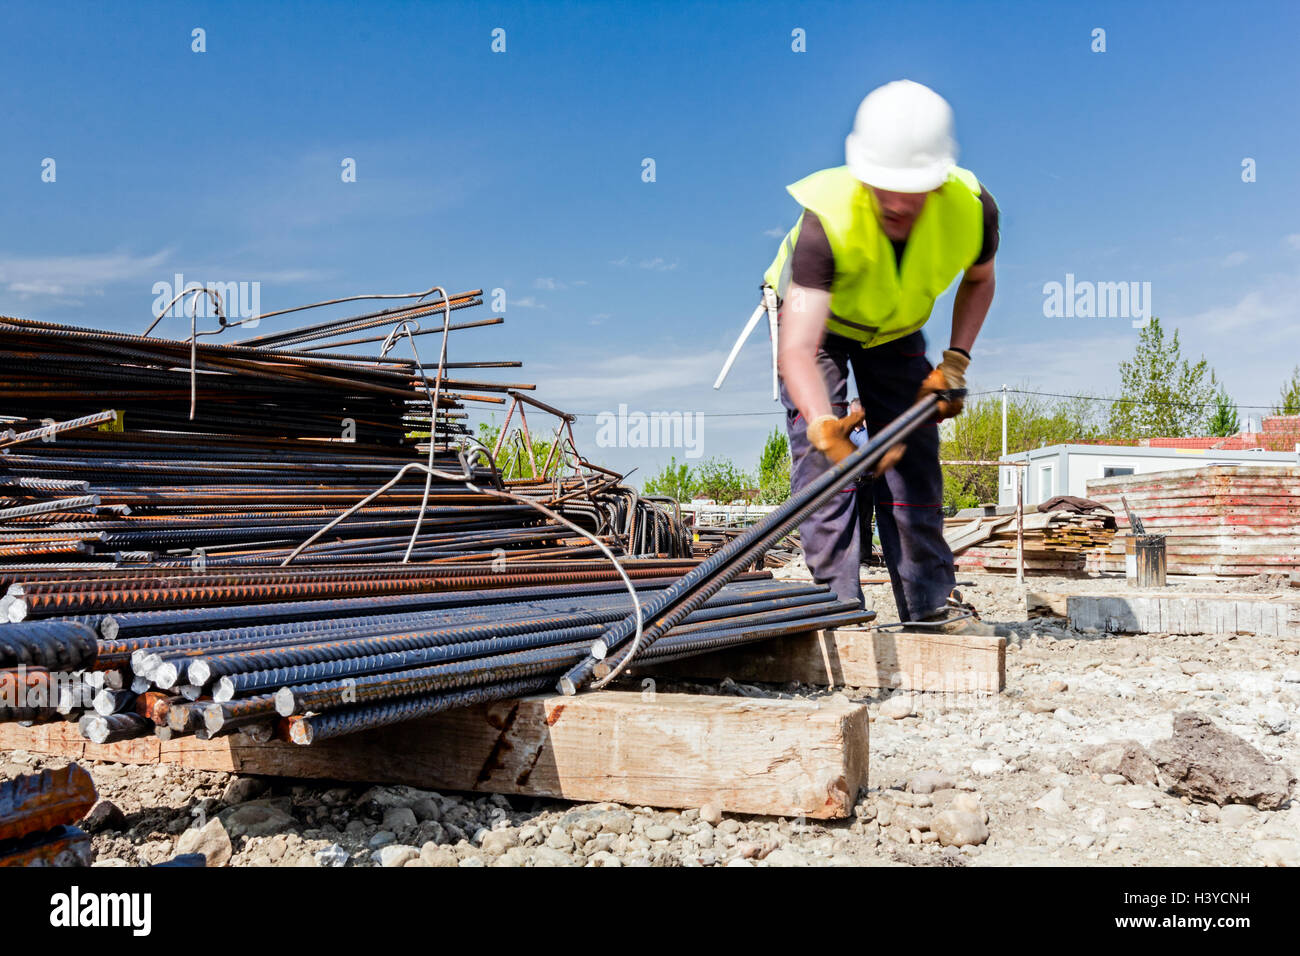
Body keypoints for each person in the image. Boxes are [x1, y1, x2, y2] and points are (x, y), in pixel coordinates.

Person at [766, 79, 1001, 633]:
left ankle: (929, 607)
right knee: (828, 464)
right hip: (820, 330)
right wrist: (825, 425)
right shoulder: (825, 224)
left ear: (939, 180)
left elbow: (981, 279)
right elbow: (798, 348)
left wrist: (956, 361)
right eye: (884, 187)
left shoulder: (973, 211)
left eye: (912, 189)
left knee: (912, 457)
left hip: (897, 331)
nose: (897, 201)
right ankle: (836, 612)